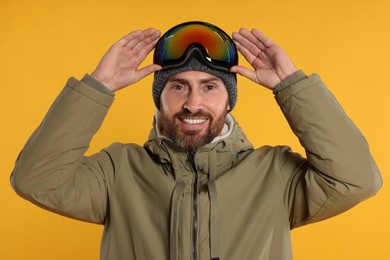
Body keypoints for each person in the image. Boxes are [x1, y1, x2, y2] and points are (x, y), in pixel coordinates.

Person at [11, 21, 382, 260]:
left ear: (229, 98)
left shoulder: (275, 175)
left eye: (209, 87)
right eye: (177, 87)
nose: (193, 103)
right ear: (158, 95)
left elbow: (357, 180)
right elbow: (35, 180)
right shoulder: (117, 171)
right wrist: (99, 87)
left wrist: (292, 86)